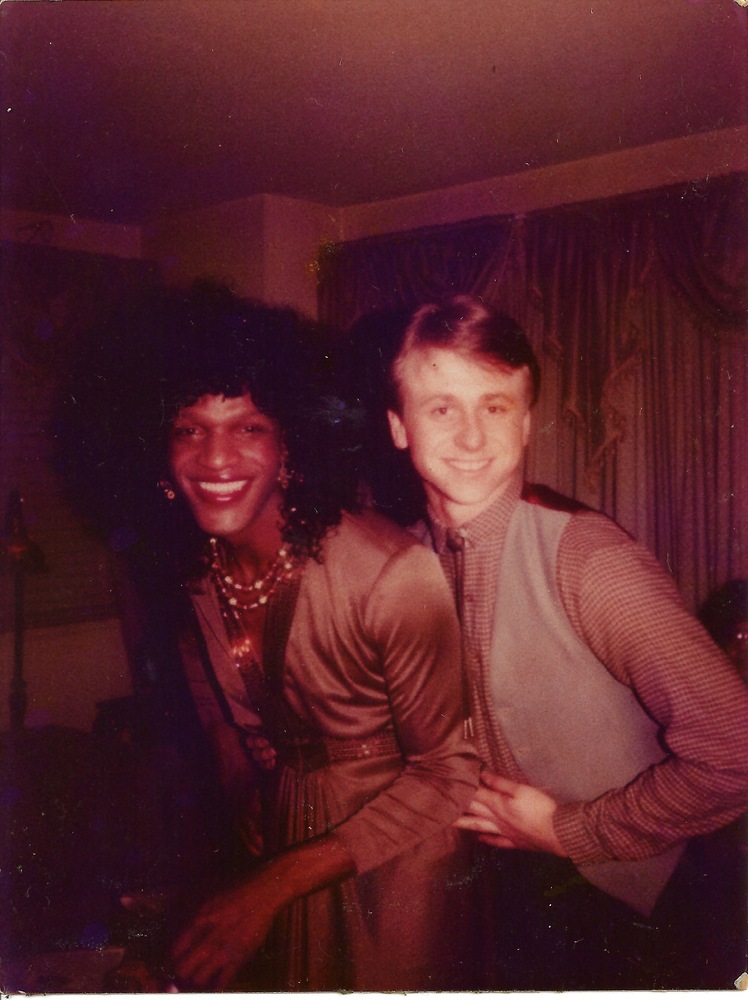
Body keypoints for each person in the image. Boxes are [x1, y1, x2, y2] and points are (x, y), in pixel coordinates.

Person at [55, 281, 479, 991]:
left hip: (399, 864)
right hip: (285, 846)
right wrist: (238, 765)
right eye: (190, 428)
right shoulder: (200, 565)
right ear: (157, 452)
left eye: (248, 427)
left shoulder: (392, 575)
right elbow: (206, 669)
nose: (215, 458)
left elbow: (449, 777)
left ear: (292, 446)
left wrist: (268, 885)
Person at [357, 294, 748, 989]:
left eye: (495, 406)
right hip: (501, 902)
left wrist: (568, 831)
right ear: (397, 426)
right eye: (442, 408)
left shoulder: (587, 560)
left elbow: (736, 751)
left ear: (527, 420)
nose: (471, 436)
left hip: (644, 912)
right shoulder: (401, 563)